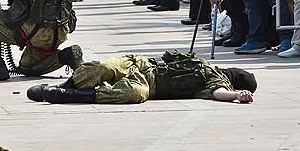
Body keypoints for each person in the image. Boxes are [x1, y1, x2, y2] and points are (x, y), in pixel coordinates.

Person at [27, 51, 256, 105]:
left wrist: (237, 95)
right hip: (143, 63)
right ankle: (64, 85)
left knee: (133, 94)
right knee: (103, 67)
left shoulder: (217, 82)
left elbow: (218, 94)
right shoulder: (206, 65)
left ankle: (64, 95)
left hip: (149, 84)